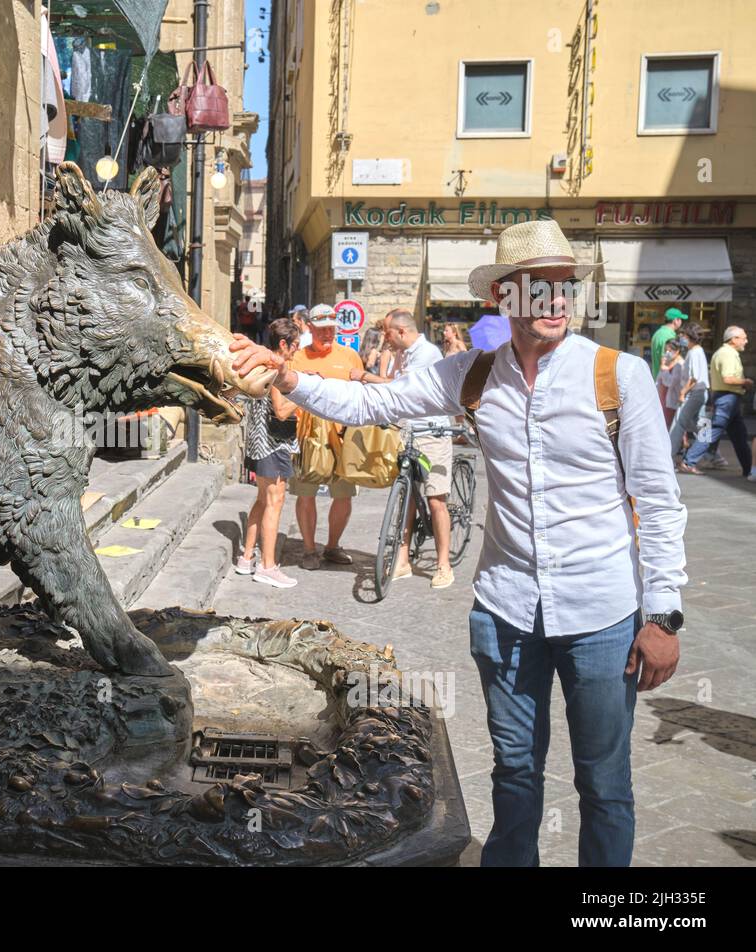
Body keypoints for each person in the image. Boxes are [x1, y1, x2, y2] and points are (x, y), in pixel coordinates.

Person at [230, 219, 686, 867]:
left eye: (566, 287)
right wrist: (289, 376)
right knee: (515, 774)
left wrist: (663, 614)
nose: (557, 301)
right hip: (505, 614)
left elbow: (661, 501)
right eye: (539, 288)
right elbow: (371, 405)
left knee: (605, 786)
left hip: (604, 617)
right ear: (504, 298)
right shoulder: (470, 376)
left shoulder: (618, 376)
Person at [352, 309, 455, 588]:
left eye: (387, 333)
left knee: (436, 500)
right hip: (409, 432)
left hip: (432, 432)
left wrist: (363, 376)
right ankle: (402, 560)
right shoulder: (405, 353)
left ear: (401, 332)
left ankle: (444, 565)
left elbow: (399, 387)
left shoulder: (426, 353)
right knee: (407, 496)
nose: (384, 338)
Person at [289, 303, 363, 569]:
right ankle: (309, 550)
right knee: (305, 493)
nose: (327, 334)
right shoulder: (297, 358)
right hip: (307, 437)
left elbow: (359, 395)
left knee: (343, 495)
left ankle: (332, 546)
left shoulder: (349, 356)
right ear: (309, 328)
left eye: (331, 329)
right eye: (322, 330)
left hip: (342, 437)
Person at [236, 316, 303, 588]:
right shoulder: (276, 369)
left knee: (262, 500)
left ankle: (246, 557)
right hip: (274, 444)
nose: (298, 349)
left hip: (257, 442)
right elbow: (281, 409)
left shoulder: (262, 363)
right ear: (284, 344)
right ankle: (268, 566)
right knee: (274, 504)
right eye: (295, 344)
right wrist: (304, 398)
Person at [680, 325, 753, 480]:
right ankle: (688, 461)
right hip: (728, 398)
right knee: (712, 430)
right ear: (734, 339)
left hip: (727, 398)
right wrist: (745, 381)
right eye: (743, 338)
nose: (746, 341)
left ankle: (749, 469)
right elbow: (728, 378)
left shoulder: (726, 353)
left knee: (739, 436)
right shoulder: (727, 354)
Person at [668, 324, 709, 464]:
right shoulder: (697, 351)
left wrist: (682, 393)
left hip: (693, 393)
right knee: (702, 425)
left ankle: (668, 457)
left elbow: (694, 378)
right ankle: (710, 453)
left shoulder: (694, 352)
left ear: (690, 337)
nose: (681, 338)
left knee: (679, 424)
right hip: (699, 393)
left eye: (683, 335)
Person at [650, 307, 686, 386]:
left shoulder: (658, 333)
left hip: (657, 378)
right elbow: (667, 359)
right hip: (665, 382)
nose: (681, 322)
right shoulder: (669, 336)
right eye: (680, 319)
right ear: (675, 321)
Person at [656, 339, 684, 430]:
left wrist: (664, 369)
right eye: (666, 350)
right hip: (665, 399)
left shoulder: (679, 364)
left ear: (677, 351)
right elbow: (659, 380)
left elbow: (671, 382)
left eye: (670, 350)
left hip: (673, 400)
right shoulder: (669, 362)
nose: (667, 353)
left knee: (672, 426)